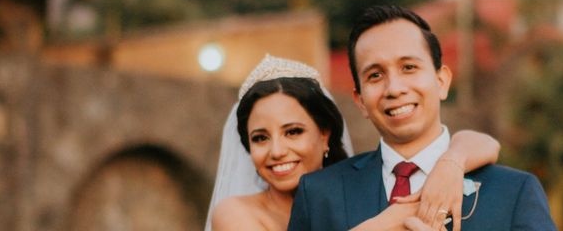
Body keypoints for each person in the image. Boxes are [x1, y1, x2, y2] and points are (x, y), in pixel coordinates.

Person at [288, 5, 558, 231]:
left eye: (409, 67)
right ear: (360, 101)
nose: (394, 88)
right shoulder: (319, 195)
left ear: (441, 81)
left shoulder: (514, 192)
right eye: (375, 75)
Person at [206, 54, 500, 231]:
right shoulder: (235, 214)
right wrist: (391, 219)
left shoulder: (357, 186)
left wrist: (452, 163)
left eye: (293, 131)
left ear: (325, 134)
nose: (277, 150)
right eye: (260, 138)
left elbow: (487, 144)